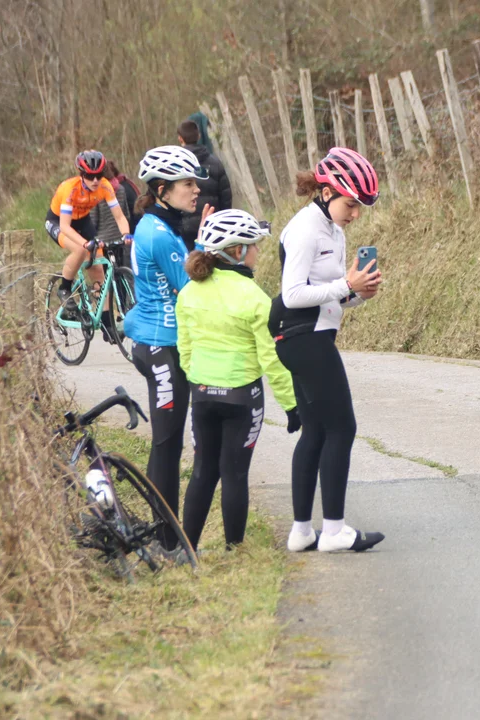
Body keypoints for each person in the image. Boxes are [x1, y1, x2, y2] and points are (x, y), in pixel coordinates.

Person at [268, 147, 384, 553]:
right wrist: (346, 285)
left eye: (360, 207)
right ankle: (333, 531)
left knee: (316, 431)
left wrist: (359, 294)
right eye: (351, 204)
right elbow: (293, 294)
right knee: (342, 428)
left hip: (310, 334)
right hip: (303, 336)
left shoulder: (333, 229)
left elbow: (330, 295)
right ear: (328, 191)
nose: (355, 214)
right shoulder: (306, 228)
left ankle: (302, 532)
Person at [176, 210, 300, 551]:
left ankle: (187, 549)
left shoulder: (188, 292)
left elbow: (185, 349)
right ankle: (235, 550)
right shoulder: (255, 297)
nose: (257, 251)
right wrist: (291, 405)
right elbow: (271, 359)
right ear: (237, 251)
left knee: (202, 471)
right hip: (242, 397)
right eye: (253, 245)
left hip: (202, 394)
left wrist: (199, 379)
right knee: (234, 474)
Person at [123, 145, 210, 549]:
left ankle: (161, 535)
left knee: (168, 444)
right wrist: (210, 249)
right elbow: (192, 287)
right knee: (166, 443)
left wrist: (199, 240)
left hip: (161, 342)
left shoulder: (161, 224)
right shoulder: (159, 233)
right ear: (162, 189)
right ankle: (165, 541)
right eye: (188, 184)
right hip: (161, 346)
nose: (196, 190)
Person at [46, 151, 131, 328]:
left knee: (99, 269)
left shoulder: (105, 186)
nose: (95, 180)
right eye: (90, 176)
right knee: (80, 249)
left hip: (83, 221)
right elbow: (65, 227)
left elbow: (119, 216)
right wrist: (85, 243)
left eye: (99, 175)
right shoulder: (71, 189)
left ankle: (106, 322)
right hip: (58, 221)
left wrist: (126, 235)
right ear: (82, 174)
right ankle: (64, 288)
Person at [178, 119, 232, 245]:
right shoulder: (215, 163)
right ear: (199, 136)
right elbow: (226, 197)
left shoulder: (176, 165)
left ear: (180, 139)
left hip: (185, 231)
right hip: (213, 228)